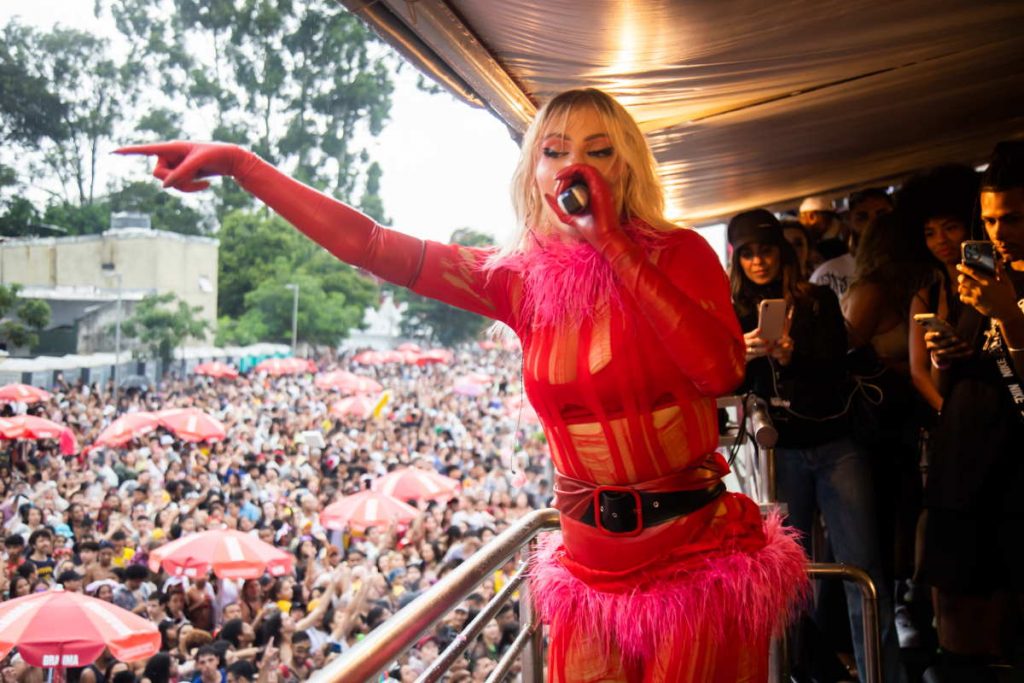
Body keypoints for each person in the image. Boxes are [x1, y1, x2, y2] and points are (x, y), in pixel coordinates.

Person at [120, 87, 807, 681]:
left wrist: (612, 243)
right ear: (534, 172)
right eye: (556, 150)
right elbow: (370, 244)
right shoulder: (516, 277)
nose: (575, 166)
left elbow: (720, 370)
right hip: (588, 570)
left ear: (627, 164)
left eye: (599, 151)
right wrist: (244, 167)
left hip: (692, 561)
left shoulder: (681, 253)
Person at [728, 209, 901, 682]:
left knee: (863, 572)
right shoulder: (732, 315)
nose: (758, 261)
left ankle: (881, 675)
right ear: (736, 258)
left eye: (765, 250)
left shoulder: (817, 299)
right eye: (748, 253)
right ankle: (809, 671)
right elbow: (729, 386)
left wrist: (791, 354)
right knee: (787, 580)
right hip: (778, 453)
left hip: (835, 445)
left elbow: (835, 370)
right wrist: (740, 355)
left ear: (781, 251)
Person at [921, 141, 1024, 669]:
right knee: (954, 612)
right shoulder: (984, 272)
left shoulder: (1009, 287)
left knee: (1003, 623)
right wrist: (945, 353)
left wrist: (1008, 315)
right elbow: (977, 364)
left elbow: (1021, 386)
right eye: (988, 220)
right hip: (961, 460)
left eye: (1011, 219)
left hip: (1011, 471)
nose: (998, 234)